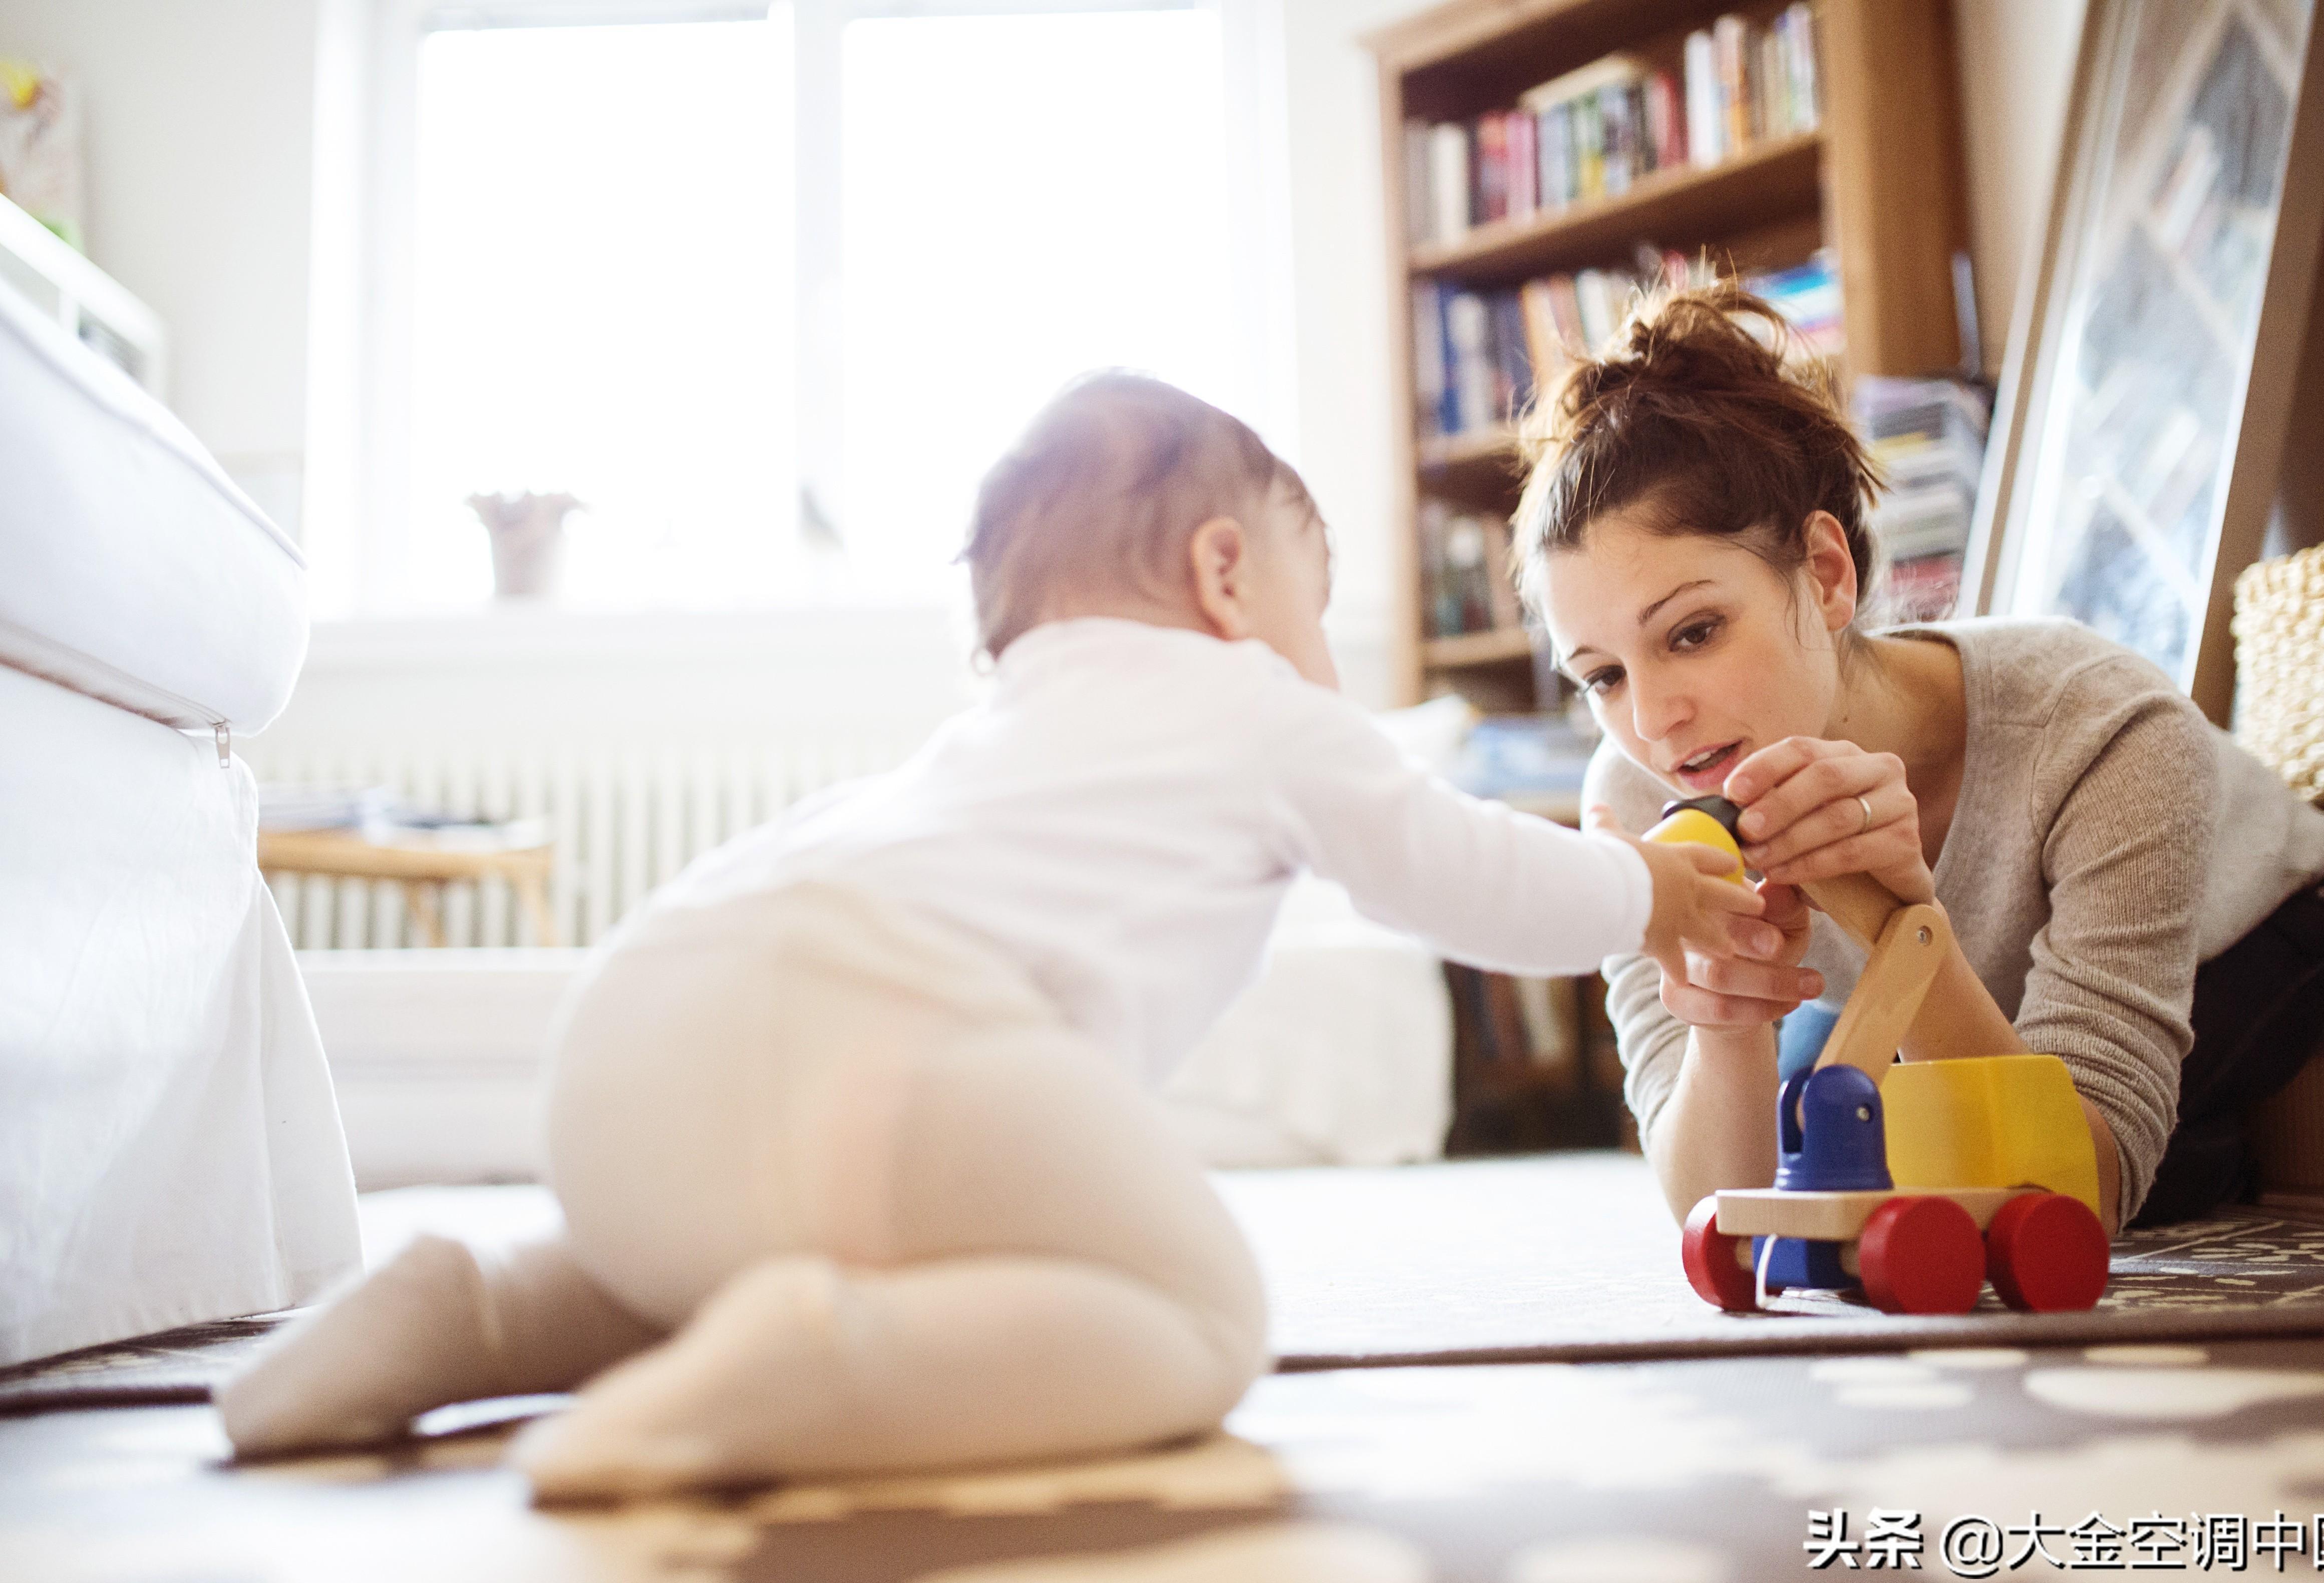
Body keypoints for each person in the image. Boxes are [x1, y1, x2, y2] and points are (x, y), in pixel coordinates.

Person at [218, 373, 1760, 1497]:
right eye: (1315, 600)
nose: (1314, 650)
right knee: (1191, 1313)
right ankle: (791, 1378)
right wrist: (1644, 889)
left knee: (680, 1259)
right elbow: (1453, 872)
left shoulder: (1007, 725)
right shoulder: (1254, 703)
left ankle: (468, 1307)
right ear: (1225, 577)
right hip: (897, 1033)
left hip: (644, 1018)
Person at [1516, 282, 2324, 1236]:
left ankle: (2206, 1148)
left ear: (1827, 574)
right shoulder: (1635, 795)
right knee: (1818, 1127)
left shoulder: (2098, 724)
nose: (1656, 720)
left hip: (2249, 931)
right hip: (1973, 985)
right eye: (1602, 677)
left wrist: (1896, 928)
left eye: (1694, 632)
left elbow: (2073, 1199)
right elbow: (1721, 1215)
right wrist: (1724, 1026)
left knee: (1974, 1172)